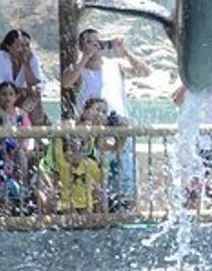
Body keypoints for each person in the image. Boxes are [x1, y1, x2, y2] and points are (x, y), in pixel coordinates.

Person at [61, 28, 148, 211]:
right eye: (88, 41)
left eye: (96, 41)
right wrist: (84, 57)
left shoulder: (115, 64)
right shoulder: (78, 68)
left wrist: (124, 52)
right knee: (96, 178)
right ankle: (99, 214)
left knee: (126, 178)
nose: (94, 45)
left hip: (119, 127)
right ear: (81, 46)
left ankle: (128, 212)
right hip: (91, 129)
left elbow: (144, 72)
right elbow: (66, 82)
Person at [0, 29, 47, 125]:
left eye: (27, 45)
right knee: (0, 96)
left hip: (15, 98)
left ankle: (35, 132)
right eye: (20, 46)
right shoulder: (0, 57)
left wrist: (26, 65)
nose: (24, 49)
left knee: (34, 97)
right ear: (9, 47)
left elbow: (35, 84)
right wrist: (21, 90)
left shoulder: (32, 59)